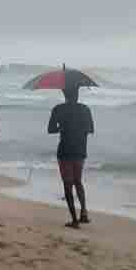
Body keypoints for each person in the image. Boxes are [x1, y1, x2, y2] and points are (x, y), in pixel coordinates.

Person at [47, 84, 94, 228]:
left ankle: (74, 220)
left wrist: (62, 127)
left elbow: (50, 129)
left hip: (65, 151)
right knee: (78, 181)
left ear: (64, 94)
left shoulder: (58, 109)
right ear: (77, 94)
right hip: (80, 150)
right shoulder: (85, 109)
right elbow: (90, 129)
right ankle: (84, 213)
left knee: (68, 185)